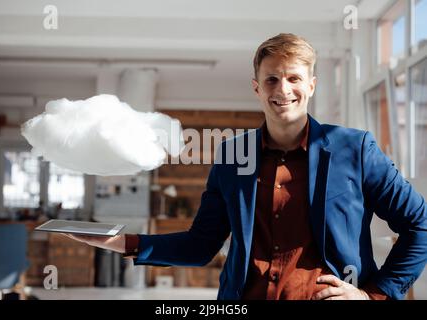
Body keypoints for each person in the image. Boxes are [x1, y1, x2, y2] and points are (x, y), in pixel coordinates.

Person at [66, 33, 427, 300]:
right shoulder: (231, 157)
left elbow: (419, 224)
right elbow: (200, 245)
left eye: (294, 78)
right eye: (271, 78)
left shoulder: (355, 148)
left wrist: (373, 295)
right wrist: (119, 242)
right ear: (257, 87)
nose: (282, 89)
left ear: (311, 85)